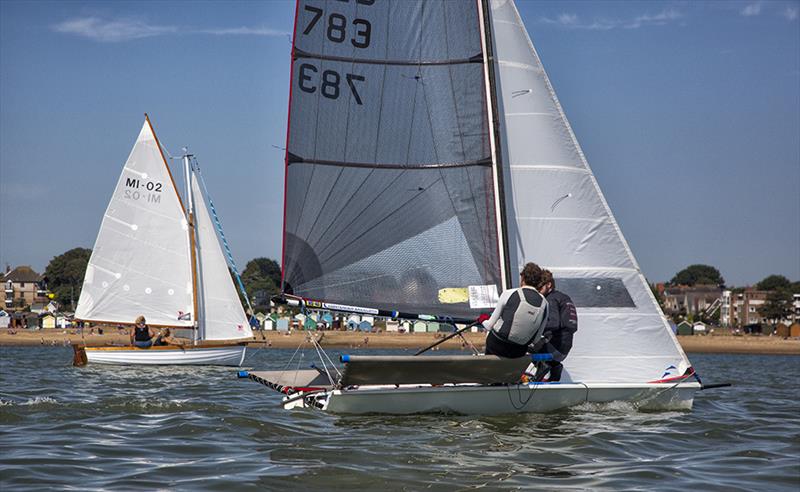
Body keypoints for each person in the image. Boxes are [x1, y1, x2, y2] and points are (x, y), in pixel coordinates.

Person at [479, 262, 549, 358]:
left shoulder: (508, 293)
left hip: (497, 346)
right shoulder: (545, 303)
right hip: (518, 352)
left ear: (522, 278)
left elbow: (489, 326)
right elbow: (536, 339)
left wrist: (482, 319)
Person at [531, 270, 578, 381]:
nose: (537, 291)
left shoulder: (550, 299)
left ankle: (542, 370)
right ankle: (555, 367)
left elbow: (553, 323)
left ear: (548, 285)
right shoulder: (564, 297)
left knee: (519, 348)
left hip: (554, 347)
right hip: (564, 348)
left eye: (539, 288)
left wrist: (532, 330)